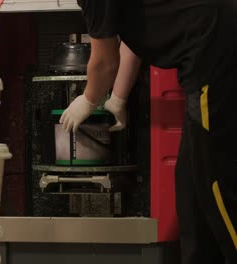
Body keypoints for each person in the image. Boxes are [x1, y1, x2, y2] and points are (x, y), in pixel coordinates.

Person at [59, 0, 237, 263]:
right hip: (206, 54)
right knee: (191, 192)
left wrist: (88, 99)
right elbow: (135, 30)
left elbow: (105, 62)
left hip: (214, 52)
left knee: (217, 183)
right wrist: (117, 98)